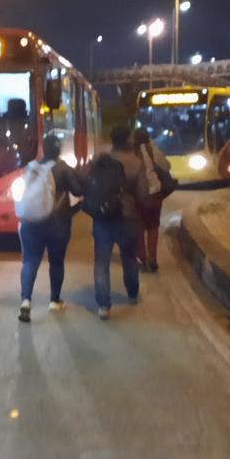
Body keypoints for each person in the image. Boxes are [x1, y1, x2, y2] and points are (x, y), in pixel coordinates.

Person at [82, 125, 148, 319]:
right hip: (127, 217)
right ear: (127, 140)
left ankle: (103, 305)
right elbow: (143, 194)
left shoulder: (100, 160)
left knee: (101, 261)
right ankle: (133, 293)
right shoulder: (136, 162)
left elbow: (85, 181)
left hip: (102, 217)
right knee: (128, 257)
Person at [17, 133, 83, 322]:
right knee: (56, 262)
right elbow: (78, 191)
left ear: (43, 149)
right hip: (58, 224)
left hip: (30, 224)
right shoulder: (64, 169)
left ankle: (25, 302)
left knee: (30, 262)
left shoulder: (31, 168)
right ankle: (54, 301)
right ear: (59, 150)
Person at [133, 128, 171, 272]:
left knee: (139, 229)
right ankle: (153, 259)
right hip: (155, 195)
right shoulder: (152, 150)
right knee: (153, 228)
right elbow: (167, 166)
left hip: (138, 196)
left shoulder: (131, 152)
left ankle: (142, 260)